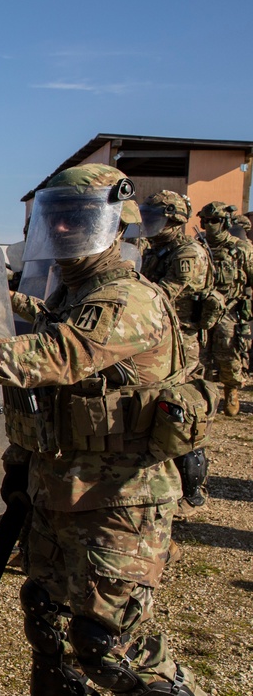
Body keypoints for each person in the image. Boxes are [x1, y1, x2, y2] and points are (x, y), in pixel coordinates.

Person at [0, 164, 208, 695]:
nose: (62, 229)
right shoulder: (72, 292)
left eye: (76, 218)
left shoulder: (127, 298)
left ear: (114, 221)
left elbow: (58, 353)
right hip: (56, 483)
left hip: (119, 496)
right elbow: (47, 325)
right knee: (48, 624)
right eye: (56, 218)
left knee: (109, 645)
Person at [139, 191, 215, 517]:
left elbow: (165, 294)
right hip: (152, 339)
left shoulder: (188, 254)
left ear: (174, 219)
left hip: (181, 342)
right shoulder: (152, 250)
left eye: (156, 217)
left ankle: (193, 492)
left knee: (178, 412)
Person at [199, 201, 253, 416]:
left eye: (215, 221)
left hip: (229, 310)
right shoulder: (198, 246)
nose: (210, 225)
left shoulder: (241, 248)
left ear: (225, 223)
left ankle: (231, 391)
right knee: (199, 356)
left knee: (229, 354)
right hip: (201, 310)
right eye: (206, 221)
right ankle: (202, 395)